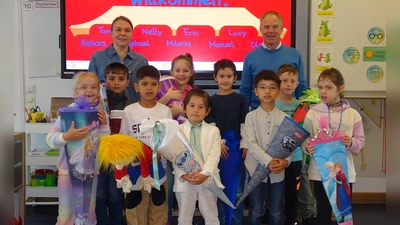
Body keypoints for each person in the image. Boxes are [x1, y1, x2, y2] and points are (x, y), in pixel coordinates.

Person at [46, 72, 110, 225]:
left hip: (90, 172)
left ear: (98, 91)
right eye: (83, 87)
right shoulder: (68, 113)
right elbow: (50, 140)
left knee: (88, 213)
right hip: (68, 172)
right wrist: (66, 137)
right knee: (66, 214)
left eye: (94, 87)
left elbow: (105, 142)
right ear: (75, 93)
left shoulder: (100, 113)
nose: (89, 90)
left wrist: (105, 124)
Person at [302, 68, 365, 225]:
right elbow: (304, 140)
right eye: (320, 87)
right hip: (319, 172)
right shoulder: (312, 113)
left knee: (343, 214)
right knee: (323, 211)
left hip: (344, 172)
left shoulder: (353, 115)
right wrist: (307, 148)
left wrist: (351, 143)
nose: (323, 91)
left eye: (328, 88)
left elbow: (360, 142)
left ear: (340, 88)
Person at [119, 65, 172, 225]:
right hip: (135, 171)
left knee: (158, 210)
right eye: (144, 84)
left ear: (159, 87)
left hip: (159, 172)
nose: (149, 88)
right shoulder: (129, 111)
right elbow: (124, 140)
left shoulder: (165, 111)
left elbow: (169, 139)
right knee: (136, 212)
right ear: (136, 87)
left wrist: (160, 153)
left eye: (153, 84)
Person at [244, 70, 293, 225]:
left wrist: (286, 162)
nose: (267, 91)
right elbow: (251, 144)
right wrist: (268, 161)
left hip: (278, 171)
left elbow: (290, 145)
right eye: (263, 87)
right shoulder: (250, 116)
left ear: (278, 91)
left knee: (277, 210)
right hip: (256, 170)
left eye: (272, 87)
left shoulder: (286, 118)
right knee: (256, 209)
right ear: (256, 91)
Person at [204, 59, 249, 225]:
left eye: (229, 76)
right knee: (219, 189)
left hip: (237, 153)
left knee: (237, 190)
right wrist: (218, 144)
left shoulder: (241, 99)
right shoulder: (210, 100)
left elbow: (244, 124)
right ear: (215, 77)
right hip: (218, 153)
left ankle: (235, 221)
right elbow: (210, 126)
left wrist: (244, 144)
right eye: (221, 76)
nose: (225, 79)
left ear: (235, 78)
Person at [239, 10, 308, 111]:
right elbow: (245, 90)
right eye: (266, 27)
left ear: (281, 29)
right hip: (259, 115)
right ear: (261, 29)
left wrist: (303, 113)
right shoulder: (250, 57)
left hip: (288, 115)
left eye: (275, 27)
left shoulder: (295, 55)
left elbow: (301, 88)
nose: (270, 31)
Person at [173, 88, 223, 225]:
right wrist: (183, 175)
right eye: (192, 106)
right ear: (184, 108)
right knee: (184, 216)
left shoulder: (214, 131)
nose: (195, 110)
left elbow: (214, 156)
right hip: (186, 179)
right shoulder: (178, 130)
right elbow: (174, 156)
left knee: (211, 214)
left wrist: (205, 174)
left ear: (207, 111)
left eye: (201, 107)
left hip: (207, 178)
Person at [274, 64, 316, 225]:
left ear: (298, 84)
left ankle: (300, 216)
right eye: (284, 80)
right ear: (278, 82)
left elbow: (306, 131)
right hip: (275, 154)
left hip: (296, 155)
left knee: (297, 187)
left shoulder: (302, 107)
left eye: (292, 81)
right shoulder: (273, 104)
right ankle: (273, 215)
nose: (288, 84)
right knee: (274, 189)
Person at [157, 53, 195, 224]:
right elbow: (158, 112)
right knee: (169, 185)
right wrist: (167, 97)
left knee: (185, 187)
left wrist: (181, 111)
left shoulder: (193, 93)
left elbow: (197, 116)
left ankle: (185, 219)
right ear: (171, 71)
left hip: (186, 145)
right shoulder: (163, 89)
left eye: (185, 70)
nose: (181, 74)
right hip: (166, 145)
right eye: (177, 70)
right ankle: (166, 220)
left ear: (191, 72)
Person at [95, 62, 132, 225]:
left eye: (121, 79)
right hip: (100, 156)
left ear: (127, 82)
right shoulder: (97, 103)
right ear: (105, 80)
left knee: (116, 195)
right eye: (112, 78)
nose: (116, 82)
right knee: (100, 194)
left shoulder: (130, 105)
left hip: (119, 158)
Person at [88, 15, 148, 102]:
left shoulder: (141, 61)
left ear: (132, 34)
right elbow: (90, 88)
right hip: (104, 112)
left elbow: (145, 90)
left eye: (127, 30)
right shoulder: (97, 57)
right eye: (118, 30)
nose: (123, 33)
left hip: (133, 112)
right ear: (111, 33)